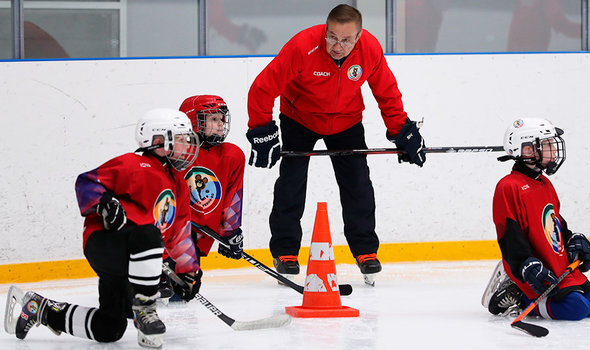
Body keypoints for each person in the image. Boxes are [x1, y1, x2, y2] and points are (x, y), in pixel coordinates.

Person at [245, 4, 426, 285]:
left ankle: (365, 251)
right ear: (325, 29)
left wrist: (401, 130)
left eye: (344, 40)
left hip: (346, 121)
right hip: (299, 118)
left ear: (358, 36)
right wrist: (261, 130)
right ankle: (285, 253)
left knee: (358, 184)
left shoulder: (370, 49)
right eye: (331, 37)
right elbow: (263, 88)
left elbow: (386, 92)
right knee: (291, 184)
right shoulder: (302, 46)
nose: (336, 46)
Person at [5, 109, 203, 348]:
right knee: (148, 233)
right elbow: (87, 182)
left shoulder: (178, 183)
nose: (187, 144)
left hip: (133, 261)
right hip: (105, 243)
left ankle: (40, 309)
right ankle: (145, 308)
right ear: (158, 139)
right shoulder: (132, 164)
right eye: (180, 138)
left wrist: (189, 271)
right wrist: (104, 202)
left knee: (109, 328)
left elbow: (180, 232)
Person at [482, 118, 590, 321]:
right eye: (547, 145)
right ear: (528, 150)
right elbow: (509, 235)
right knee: (578, 308)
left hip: (556, 264)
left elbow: (553, 222)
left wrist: (571, 239)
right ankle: (519, 297)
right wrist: (524, 264)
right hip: (534, 268)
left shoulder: (544, 183)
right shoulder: (509, 186)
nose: (554, 150)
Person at [159, 95, 246, 300]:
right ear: (191, 121)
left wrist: (230, 232)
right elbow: (161, 200)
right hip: (168, 233)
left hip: (196, 238)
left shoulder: (232, 155)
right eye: (212, 119)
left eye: (221, 119)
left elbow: (232, 196)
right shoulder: (175, 152)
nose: (219, 125)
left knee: (184, 292)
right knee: (151, 286)